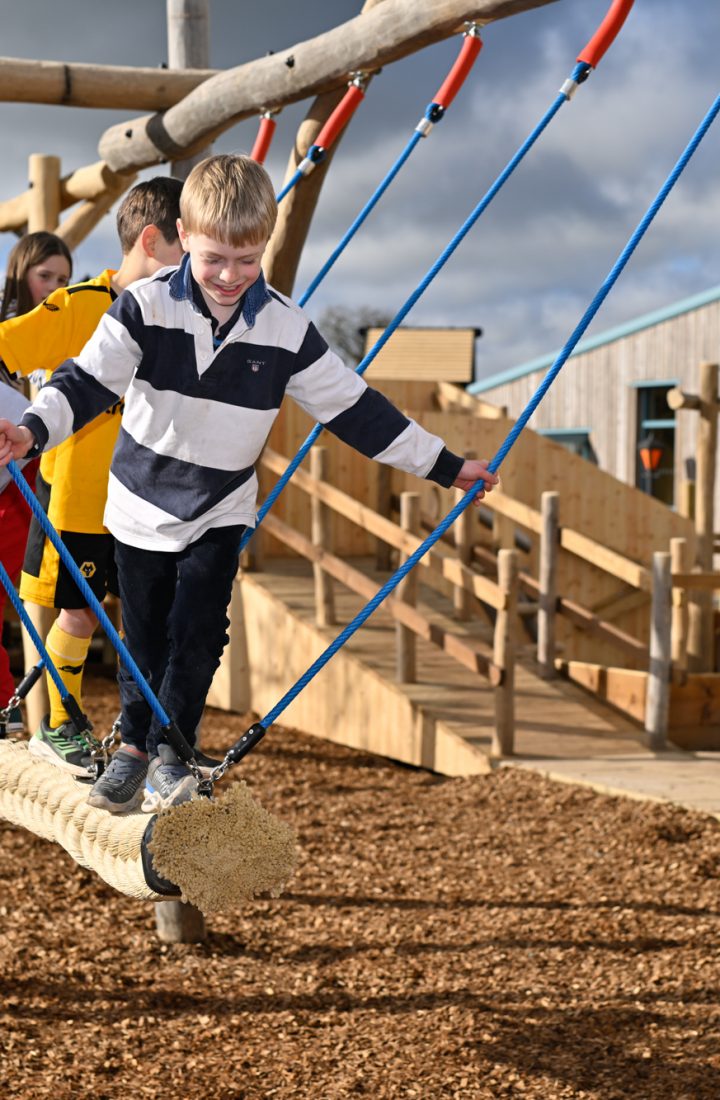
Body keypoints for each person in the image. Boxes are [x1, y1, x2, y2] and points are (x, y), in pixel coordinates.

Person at [0, 153, 498, 814]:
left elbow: (356, 408)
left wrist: (445, 466)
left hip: (218, 505)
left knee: (200, 628)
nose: (229, 276)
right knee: (142, 634)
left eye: (247, 259)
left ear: (263, 245)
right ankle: (135, 749)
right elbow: (84, 382)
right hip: (139, 504)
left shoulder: (285, 328)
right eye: (212, 259)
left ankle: (173, 752)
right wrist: (30, 429)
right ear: (183, 235)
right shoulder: (143, 308)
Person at [0, 178, 183, 771]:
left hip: (142, 496)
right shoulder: (79, 304)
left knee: (146, 618)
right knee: (77, 610)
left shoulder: (176, 317)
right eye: (191, 249)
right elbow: (7, 346)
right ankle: (59, 726)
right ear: (152, 243)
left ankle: (145, 737)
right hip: (75, 492)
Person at [0, 232, 73, 734]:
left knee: (46, 595)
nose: (52, 287)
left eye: (63, 279)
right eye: (44, 275)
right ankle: (12, 707)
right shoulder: (8, 332)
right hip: (11, 479)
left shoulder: (67, 331)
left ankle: (48, 719)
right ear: (20, 273)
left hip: (40, 477)